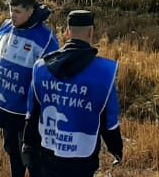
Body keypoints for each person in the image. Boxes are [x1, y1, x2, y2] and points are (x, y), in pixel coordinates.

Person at [22, 10, 123, 177]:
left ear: (67, 32)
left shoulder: (41, 67)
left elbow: (32, 113)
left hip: (47, 152)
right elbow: (109, 121)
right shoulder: (105, 73)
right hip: (82, 158)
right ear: (91, 32)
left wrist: (27, 143)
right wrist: (116, 149)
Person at [0, 0, 60, 177]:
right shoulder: (6, 28)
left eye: (17, 11)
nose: (12, 15)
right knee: (12, 151)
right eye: (11, 10)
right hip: (5, 105)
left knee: (30, 156)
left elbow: (52, 77)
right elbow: (0, 60)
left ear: (30, 11)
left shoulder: (46, 39)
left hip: (27, 111)